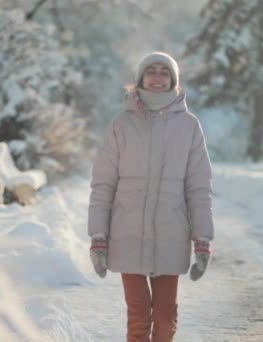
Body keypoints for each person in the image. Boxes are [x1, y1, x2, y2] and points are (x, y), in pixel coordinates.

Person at [87, 51, 214, 342]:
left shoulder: (189, 126)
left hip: (171, 234)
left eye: (164, 72)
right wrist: (98, 237)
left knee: (166, 317)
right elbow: (103, 184)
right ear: (140, 79)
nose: (158, 77)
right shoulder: (121, 124)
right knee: (139, 315)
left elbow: (199, 187)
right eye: (151, 71)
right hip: (127, 232)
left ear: (174, 82)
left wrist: (203, 239)